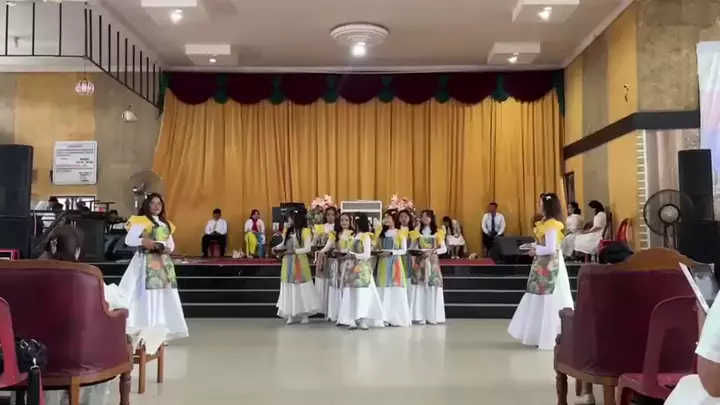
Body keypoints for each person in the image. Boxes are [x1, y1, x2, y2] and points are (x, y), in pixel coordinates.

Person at [507, 193, 574, 350]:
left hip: (551, 264)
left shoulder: (552, 224)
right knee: (538, 296)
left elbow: (550, 248)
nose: (538, 206)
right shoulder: (543, 223)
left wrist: (535, 249)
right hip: (541, 264)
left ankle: (551, 336)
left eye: (540, 203)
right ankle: (538, 334)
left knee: (551, 296)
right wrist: (532, 246)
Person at [119, 193, 189, 341]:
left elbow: (171, 244)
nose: (157, 206)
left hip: (163, 263)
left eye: (159, 203)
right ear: (147, 205)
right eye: (153, 203)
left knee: (163, 295)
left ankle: (160, 331)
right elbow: (129, 240)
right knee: (146, 295)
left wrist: (166, 248)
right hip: (145, 262)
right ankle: (145, 330)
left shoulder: (166, 224)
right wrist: (143, 241)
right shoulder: (141, 221)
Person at [336, 213, 385, 330]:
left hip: (362, 269)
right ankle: (352, 320)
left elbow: (367, 254)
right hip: (351, 268)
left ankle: (362, 320)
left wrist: (353, 255)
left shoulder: (365, 236)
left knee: (362, 294)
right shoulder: (352, 236)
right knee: (351, 294)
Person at [273, 210, 319, 324]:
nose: (288, 221)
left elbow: (307, 248)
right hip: (288, 262)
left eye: (290, 218)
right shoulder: (288, 231)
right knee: (289, 286)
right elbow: (284, 244)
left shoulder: (305, 231)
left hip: (300, 262)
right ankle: (290, 314)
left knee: (302, 287)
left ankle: (305, 314)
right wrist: (276, 248)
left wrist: (294, 251)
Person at [408, 209, 447, 325]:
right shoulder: (417, 232)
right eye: (423, 216)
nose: (424, 218)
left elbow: (444, 249)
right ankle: (421, 315)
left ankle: (432, 315)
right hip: (420, 262)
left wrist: (433, 251)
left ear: (432, 218)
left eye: (427, 216)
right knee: (421, 287)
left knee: (432, 287)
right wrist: (416, 251)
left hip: (432, 262)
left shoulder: (438, 233)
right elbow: (412, 248)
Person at [376, 210, 411, 327]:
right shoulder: (381, 233)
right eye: (385, 218)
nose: (386, 220)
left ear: (393, 219)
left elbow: (404, 250)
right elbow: (376, 247)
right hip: (383, 263)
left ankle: (396, 317)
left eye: (388, 217)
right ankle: (383, 317)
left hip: (395, 263)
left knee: (394, 288)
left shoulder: (400, 233)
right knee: (383, 288)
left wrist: (391, 252)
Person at [318, 212, 354, 322]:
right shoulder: (334, 234)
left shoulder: (353, 234)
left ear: (350, 222)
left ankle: (347, 313)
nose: (344, 222)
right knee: (336, 286)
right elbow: (328, 246)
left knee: (347, 287)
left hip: (349, 263)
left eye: (346, 220)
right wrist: (321, 252)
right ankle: (336, 313)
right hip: (337, 263)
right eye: (342, 220)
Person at [313, 206, 338, 318]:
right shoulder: (321, 227)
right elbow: (314, 242)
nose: (330, 217)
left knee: (331, 282)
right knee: (323, 282)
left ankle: (332, 310)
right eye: (328, 215)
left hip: (333, 257)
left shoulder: (338, 227)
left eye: (332, 214)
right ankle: (323, 309)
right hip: (322, 257)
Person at [397, 209, 415, 281]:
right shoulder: (396, 230)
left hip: (410, 256)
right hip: (398, 255)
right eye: (401, 217)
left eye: (405, 216)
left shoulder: (413, 231)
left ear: (409, 218)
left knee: (408, 276)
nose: (403, 219)